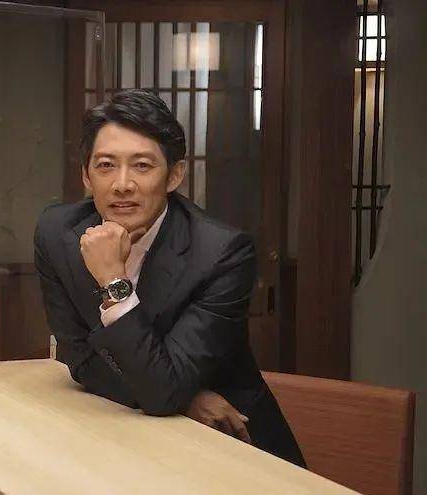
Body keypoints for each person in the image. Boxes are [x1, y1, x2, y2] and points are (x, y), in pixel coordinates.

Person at [34, 89, 304, 466]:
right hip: (134, 432)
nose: (122, 184)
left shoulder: (220, 253)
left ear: (174, 175)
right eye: (106, 165)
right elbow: (80, 360)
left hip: (230, 444)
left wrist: (113, 281)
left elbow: (162, 391)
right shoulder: (57, 233)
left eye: (142, 166)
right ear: (86, 175)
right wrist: (184, 398)